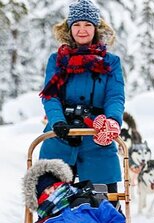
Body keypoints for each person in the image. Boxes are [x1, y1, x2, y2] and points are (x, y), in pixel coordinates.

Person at [39, 0, 125, 194]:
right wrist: (57, 122)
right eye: (77, 24)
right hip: (60, 136)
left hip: (97, 135)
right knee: (52, 200)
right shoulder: (57, 61)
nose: (82, 30)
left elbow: (115, 96)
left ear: (96, 28)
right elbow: (50, 96)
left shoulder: (111, 62)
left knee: (104, 201)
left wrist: (112, 121)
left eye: (87, 24)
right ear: (69, 29)